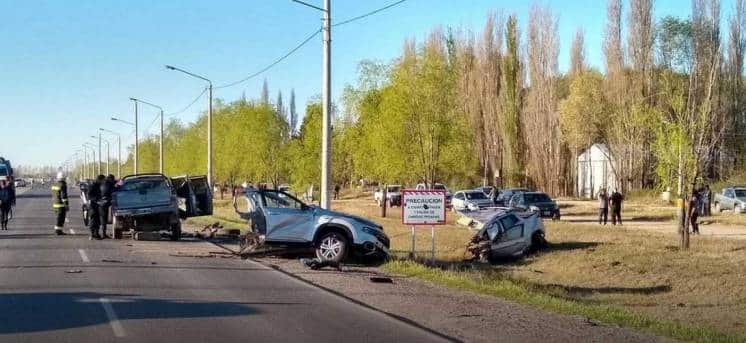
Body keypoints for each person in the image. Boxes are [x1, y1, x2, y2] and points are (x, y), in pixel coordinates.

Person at [51, 171, 69, 235]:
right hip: (61, 204)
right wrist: (66, 205)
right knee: (61, 218)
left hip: (55, 203)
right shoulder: (63, 185)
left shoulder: (54, 184)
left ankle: (58, 230)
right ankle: (58, 231)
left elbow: (53, 194)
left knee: (58, 217)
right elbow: (64, 196)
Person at [98, 174, 115, 239]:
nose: (113, 181)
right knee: (103, 219)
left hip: (101, 203)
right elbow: (112, 190)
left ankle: (102, 233)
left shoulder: (104, 183)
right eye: (112, 179)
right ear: (110, 179)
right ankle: (103, 234)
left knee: (102, 219)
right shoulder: (108, 184)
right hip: (104, 203)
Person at [87, 175, 104, 240]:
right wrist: (97, 200)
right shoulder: (92, 185)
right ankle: (92, 234)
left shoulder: (97, 185)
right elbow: (89, 195)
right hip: (92, 205)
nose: (103, 182)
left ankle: (96, 234)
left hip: (97, 205)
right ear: (99, 179)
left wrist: (100, 200)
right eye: (102, 180)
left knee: (97, 220)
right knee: (93, 219)